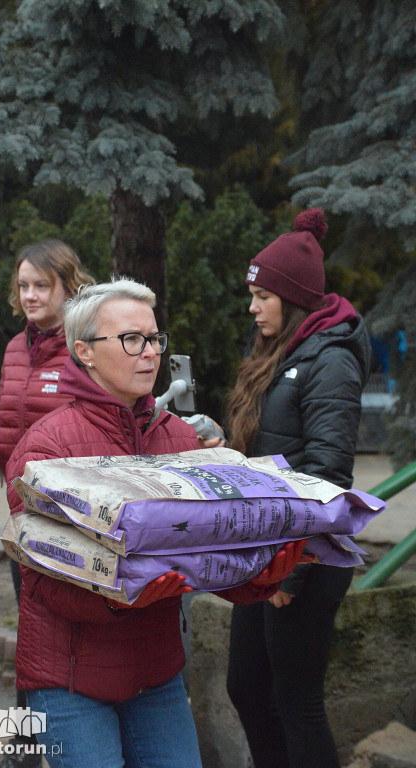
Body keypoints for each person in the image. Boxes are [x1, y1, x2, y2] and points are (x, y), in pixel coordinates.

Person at [4, 277, 307, 768]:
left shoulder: (181, 440)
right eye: (132, 340)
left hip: (156, 675)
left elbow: (207, 556)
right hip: (68, 681)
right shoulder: (45, 449)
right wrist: (126, 593)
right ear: (84, 351)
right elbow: (39, 581)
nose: (150, 353)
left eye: (155, 339)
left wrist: (256, 576)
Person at [225, 208, 371, 768]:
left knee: (296, 700)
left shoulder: (330, 359)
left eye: (263, 297)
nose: (253, 306)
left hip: (304, 557)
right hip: (265, 547)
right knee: (246, 687)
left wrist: (295, 567)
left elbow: (330, 476)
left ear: (292, 298)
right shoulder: (278, 352)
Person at [0, 238, 94, 768]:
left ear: (66, 286)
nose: (29, 295)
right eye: (23, 285)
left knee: (61, 639)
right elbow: (5, 419)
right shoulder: (14, 348)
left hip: (69, 521)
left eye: (40, 285)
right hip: (22, 517)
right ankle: (23, 745)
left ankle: (63, 743)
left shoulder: (83, 348)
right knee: (28, 633)